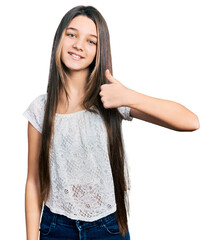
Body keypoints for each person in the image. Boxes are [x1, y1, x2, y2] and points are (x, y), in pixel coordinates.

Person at [23, 5, 200, 240]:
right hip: (55, 228)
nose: (78, 45)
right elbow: (34, 181)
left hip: (107, 228)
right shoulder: (40, 108)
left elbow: (190, 121)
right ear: (59, 39)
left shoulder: (111, 98)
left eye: (91, 41)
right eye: (72, 34)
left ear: (99, 50)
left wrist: (130, 97)